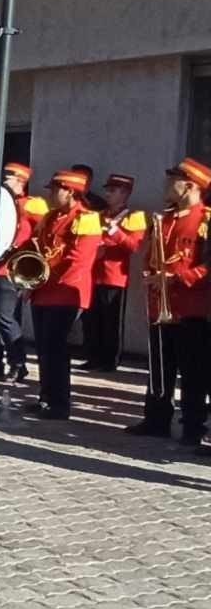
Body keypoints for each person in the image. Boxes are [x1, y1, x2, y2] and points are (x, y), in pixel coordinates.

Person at [128, 158, 210, 447]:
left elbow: (207, 267)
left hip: (191, 308)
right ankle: (156, 420)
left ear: (189, 185)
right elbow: (151, 258)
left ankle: (192, 428)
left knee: (193, 373)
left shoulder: (205, 219)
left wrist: (178, 278)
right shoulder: (164, 219)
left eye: (172, 180)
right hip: (160, 306)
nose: (165, 185)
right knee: (159, 369)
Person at [26, 170, 103, 420]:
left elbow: (78, 261)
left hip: (66, 293)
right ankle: (46, 397)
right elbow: (39, 248)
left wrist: (42, 280)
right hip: (43, 291)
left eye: (54, 189)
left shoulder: (87, 218)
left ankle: (60, 404)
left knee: (56, 348)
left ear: (70, 191)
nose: (50, 193)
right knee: (43, 348)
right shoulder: (50, 217)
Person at [0, 162, 47, 381]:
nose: (5, 180)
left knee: (5, 317)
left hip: (11, 269)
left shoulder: (33, 204)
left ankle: (18, 363)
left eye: (10, 177)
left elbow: (43, 234)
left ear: (21, 181)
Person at [84, 173, 145, 372]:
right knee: (92, 319)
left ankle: (110, 360)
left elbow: (133, 245)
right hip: (93, 273)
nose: (108, 194)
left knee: (111, 320)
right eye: (107, 190)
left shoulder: (134, 216)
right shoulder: (100, 215)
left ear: (125, 193)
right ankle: (92, 357)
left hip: (115, 275)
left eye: (113, 190)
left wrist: (113, 232)